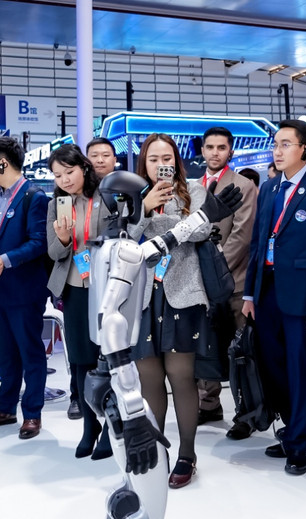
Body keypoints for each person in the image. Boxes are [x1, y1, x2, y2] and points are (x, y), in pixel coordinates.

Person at [243, 119, 306, 475]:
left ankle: (300, 441)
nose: (278, 150)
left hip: (303, 294)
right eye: (276, 144)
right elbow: (258, 244)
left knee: (301, 368)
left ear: (305, 148)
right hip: (267, 290)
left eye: (286, 144)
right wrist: (249, 293)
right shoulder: (269, 188)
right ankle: (294, 426)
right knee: (273, 366)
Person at [128, 133, 212, 489]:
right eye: (153, 159)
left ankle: (187, 454)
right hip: (142, 296)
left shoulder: (193, 190)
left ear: (176, 161)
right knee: (149, 379)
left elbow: (203, 230)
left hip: (183, 293)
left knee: (180, 375)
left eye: (167, 158)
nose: (161, 165)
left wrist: (172, 213)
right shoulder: (132, 194)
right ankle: (156, 449)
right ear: (143, 163)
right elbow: (123, 238)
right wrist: (145, 208)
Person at [46, 144, 113, 460]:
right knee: (80, 362)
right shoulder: (56, 204)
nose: (64, 180)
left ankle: (112, 426)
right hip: (74, 289)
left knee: (110, 358)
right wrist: (63, 239)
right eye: (57, 175)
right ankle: (90, 426)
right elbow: (53, 253)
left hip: (107, 289)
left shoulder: (106, 196)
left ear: (84, 168)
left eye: (69, 172)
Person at [194, 127, 258, 442]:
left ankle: (246, 414)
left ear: (230, 151)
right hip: (199, 283)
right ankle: (208, 405)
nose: (215, 152)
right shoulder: (193, 188)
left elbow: (242, 236)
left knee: (240, 351)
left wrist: (214, 271)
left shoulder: (244, 186)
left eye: (221, 147)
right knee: (204, 347)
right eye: (210, 147)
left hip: (235, 281)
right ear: (202, 150)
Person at [0, 136, 49, 440]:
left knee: (30, 352)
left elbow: (39, 242)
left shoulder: (34, 196)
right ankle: (6, 407)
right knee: (5, 353)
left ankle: (32, 413)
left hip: (24, 289)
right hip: (2, 291)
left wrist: (5, 260)